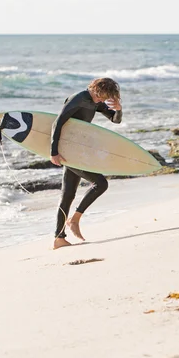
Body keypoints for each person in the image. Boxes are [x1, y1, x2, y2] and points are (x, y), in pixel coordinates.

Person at [50, 77, 123, 249]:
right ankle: (74, 220)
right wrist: (53, 151)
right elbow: (57, 123)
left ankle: (59, 238)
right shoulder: (78, 98)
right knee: (101, 183)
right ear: (95, 89)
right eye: (100, 97)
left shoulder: (95, 101)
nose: (101, 101)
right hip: (68, 150)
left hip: (78, 149)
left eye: (104, 99)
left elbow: (115, 120)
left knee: (67, 195)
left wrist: (119, 110)